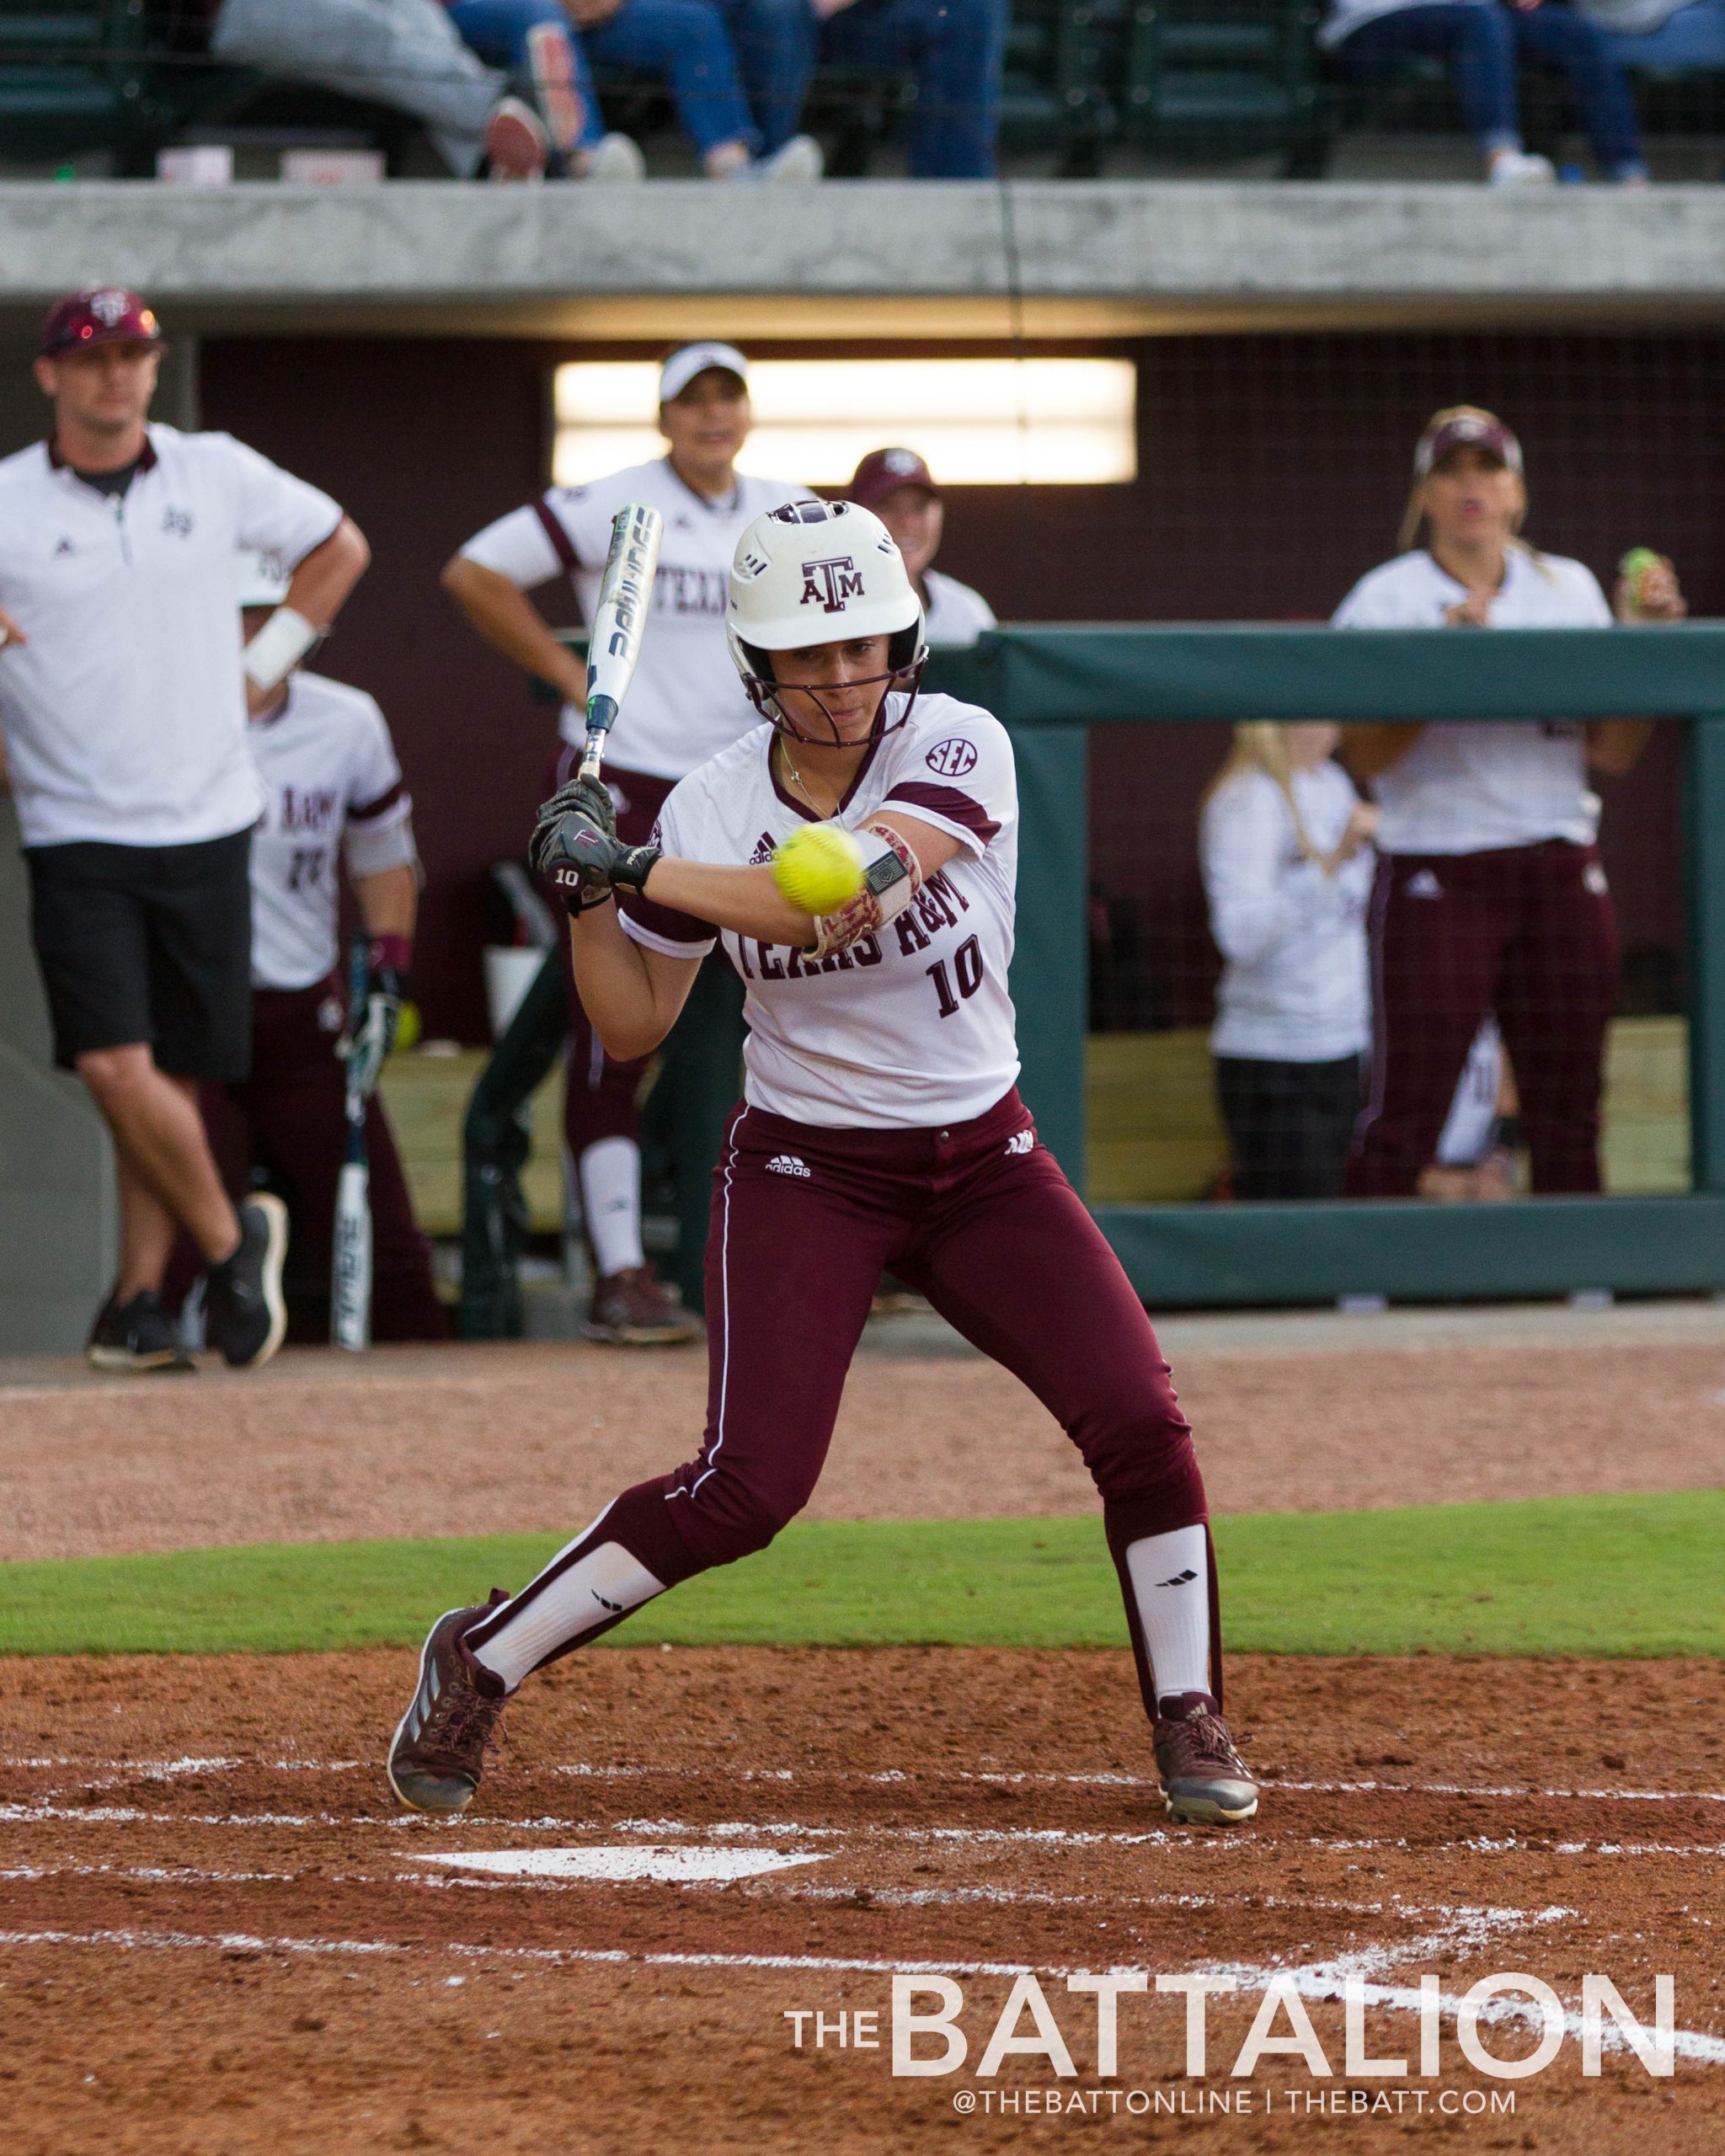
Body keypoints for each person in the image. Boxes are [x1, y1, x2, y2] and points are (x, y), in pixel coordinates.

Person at [387, 496, 1258, 1830]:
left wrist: (635, 863)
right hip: (807, 1171)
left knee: (1140, 1421)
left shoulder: (961, 739)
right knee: (749, 1488)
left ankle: (1188, 1710)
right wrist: (585, 900)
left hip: (984, 1161)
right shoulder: (710, 801)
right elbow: (632, 1025)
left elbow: (842, 886)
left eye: (867, 644)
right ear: (760, 668)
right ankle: (482, 1654)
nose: (847, 677)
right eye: (814, 654)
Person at [0, 289, 370, 1374]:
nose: (116, 374)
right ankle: (229, 1239)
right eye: (93, 357)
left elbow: (339, 546)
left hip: (211, 814)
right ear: (50, 376)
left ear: (153, 368)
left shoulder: (215, 469)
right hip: (74, 825)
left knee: (172, 1072)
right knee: (117, 1067)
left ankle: (137, 1305)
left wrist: (265, 664)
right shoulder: (10, 497)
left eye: (134, 355)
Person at [444, 341, 804, 1345]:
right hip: (626, 780)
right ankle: (620, 1271)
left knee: (772, 1017)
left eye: (727, 399)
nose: (712, 419)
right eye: (692, 402)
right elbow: (474, 572)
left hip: (744, 785)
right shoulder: (614, 496)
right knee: (614, 1025)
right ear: (663, 415)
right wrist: (571, 682)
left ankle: (798, 1257)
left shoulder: (782, 502)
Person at [1334, 405, 1685, 1199]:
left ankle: (1579, 1284)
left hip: (1557, 861)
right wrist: (1439, 673)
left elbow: (1614, 750)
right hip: (1439, 862)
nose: (1472, 488)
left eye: (1488, 470)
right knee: (1408, 1101)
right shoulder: (1384, 598)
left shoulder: (1568, 588)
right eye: (1452, 471)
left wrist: (1645, 642)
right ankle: (1362, 1288)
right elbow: (1362, 757)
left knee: (1569, 1102)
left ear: (1517, 492)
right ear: (1424, 494)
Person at [181, 551, 448, 1346]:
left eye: (277, 613)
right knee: (191, 1243)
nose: (262, 632)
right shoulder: (165, 718)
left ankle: (442, 1429)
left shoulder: (346, 719)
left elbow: (384, 858)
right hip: (189, 1009)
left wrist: (389, 970)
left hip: (300, 1005)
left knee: (390, 1246)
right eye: (244, 614)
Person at [1199, 723, 1378, 1202]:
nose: (1332, 729)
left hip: (1342, 1047)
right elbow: (1241, 936)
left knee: (1331, 1223)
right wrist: (1333, 858)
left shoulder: (1333, 783)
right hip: (1272, 1057)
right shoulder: (1246, 798)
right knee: (1291, 1231)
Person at [444, 0, 825, 178]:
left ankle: (734, 168)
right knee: (541, 17)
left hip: (595, 13)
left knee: (691, 23)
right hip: (480, 12)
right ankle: (585, 165)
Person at [210, 0, 553, 179]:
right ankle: (499, 108)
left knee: (416, 12)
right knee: (364, 33)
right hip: (234, 12)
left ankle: (489, 162)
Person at [1319, 0, 1648, 184]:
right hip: (1372, 22)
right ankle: (1502, 160)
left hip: (1471, 14)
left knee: (1579, 34)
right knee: (1481, 20)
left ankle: (1629, 177)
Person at [727, 0, 1007, 178]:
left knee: (972, 6)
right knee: (776, 8)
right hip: (764, 16)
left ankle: (955, 202)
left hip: (862, 20)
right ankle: (762, 176)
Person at [845, 446, 996, 648]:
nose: (906, 523)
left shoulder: (964, 611)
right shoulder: (827, 606)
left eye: (919, 507)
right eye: (887, 507)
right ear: (852, 515)